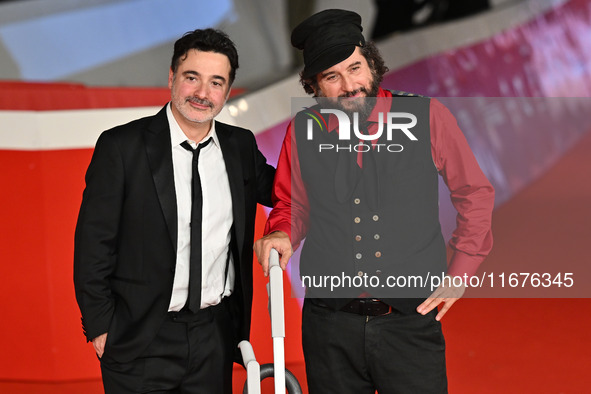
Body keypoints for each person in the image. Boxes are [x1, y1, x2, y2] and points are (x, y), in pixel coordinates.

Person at [254, 9, 494, 394]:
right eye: (332, 76)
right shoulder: (303, 130)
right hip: (328, 327)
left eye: (355, 68)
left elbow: (474, 193)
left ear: (372, 63)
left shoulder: (427, 117)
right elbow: (292, 204)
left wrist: (461, 270)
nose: (349, 85)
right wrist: (281, 233)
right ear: (315, 85)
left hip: (409, 323)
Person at [74, 28, 275, 394]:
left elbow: (287, 193)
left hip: (213, 335)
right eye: (192, 77)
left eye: (216, 82)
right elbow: (93, 245)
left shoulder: (240, 147)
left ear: (228, 91)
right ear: (171, 77)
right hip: (139, 337)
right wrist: (102, 328)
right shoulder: (121, 146)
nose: (202, 93)